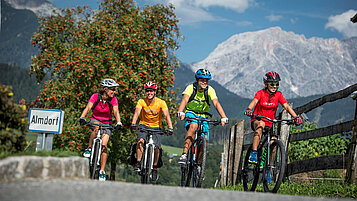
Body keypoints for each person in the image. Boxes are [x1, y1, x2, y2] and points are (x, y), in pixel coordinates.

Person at [244, 71, 302, 164]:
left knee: (274, 144)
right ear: (266, 84)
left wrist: (295, 117)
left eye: (277, 84)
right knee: (261, 124)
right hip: (258, 120)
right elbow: (254, 101)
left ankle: (269, 168)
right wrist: (249, 109)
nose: (275, 86)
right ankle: (254, 153)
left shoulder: (278, 95)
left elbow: (286, 106)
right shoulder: (260, 93)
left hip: (270, 123)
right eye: (272, 84)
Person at [177, 69, 229, 164]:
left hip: (203, 115)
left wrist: (223, 117)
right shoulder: (191, 88)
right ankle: (184, 154)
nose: (204, 82)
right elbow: (185, 99)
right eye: (202, 80)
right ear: (197, 80)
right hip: (191, 112)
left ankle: (200, 165)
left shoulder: (210, 90)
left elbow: (216, 103)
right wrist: (180, 111)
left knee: (205, 139)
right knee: (194, 126)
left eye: (206, 80)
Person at [79, 78, 123, 181]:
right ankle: (89, 148)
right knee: (95, 128)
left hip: (107, 123)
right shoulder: (95, 96)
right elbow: (88, 107)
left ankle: (102, 171)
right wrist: (82, 117)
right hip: (95, 120)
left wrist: (119, 122)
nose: (114, 91)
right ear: (105, 89)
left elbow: (116, 111)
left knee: (104, 145)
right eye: (112, 89)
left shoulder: (113, 99)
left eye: (114, 89)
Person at [131, 81, 174, 181]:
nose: (149, 93)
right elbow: (137, 112)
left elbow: (167, 115)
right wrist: (133, 123)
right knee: (140, 141)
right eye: (147, 91)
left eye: (151, 90)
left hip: (156, 127)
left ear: (155, 91)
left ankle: (154, 167)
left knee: (157, 148)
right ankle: (138, 162)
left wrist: (170, 127)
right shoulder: (141, 101)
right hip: (143, 125)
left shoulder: (161, 102)